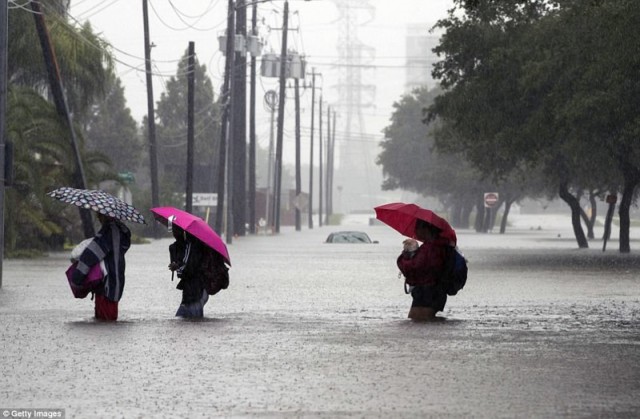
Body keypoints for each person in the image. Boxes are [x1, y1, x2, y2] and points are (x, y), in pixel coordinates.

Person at [71, 213, 131, 321]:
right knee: (107, 323)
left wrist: (77, 278)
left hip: (107, 286)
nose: (98, 218)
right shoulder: (120, 231)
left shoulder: (108, 232)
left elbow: (91, 255)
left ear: (106, 215)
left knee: (105, 322)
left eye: (99, 215)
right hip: (116, 283)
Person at [397, 219, 450, 321]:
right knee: (421, 321)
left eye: (417, 228)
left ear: (426, 230)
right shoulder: (439, 246)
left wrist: (404, 256)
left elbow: (414, 267)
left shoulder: (429, 249)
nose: (415, 232)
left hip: (428, 291)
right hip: (434, 290)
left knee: (418, 321)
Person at [167, 218, 209, 318]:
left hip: (197, 290)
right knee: (187, 319)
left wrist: (177, 267)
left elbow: (188, 267)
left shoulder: (192, 246)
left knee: (189, 319)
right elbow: (180, 270)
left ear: (183, 231)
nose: (175, 232)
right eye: (173, 229)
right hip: (189, 291)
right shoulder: (174, 247)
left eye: (177, 229)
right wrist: (176, 267)